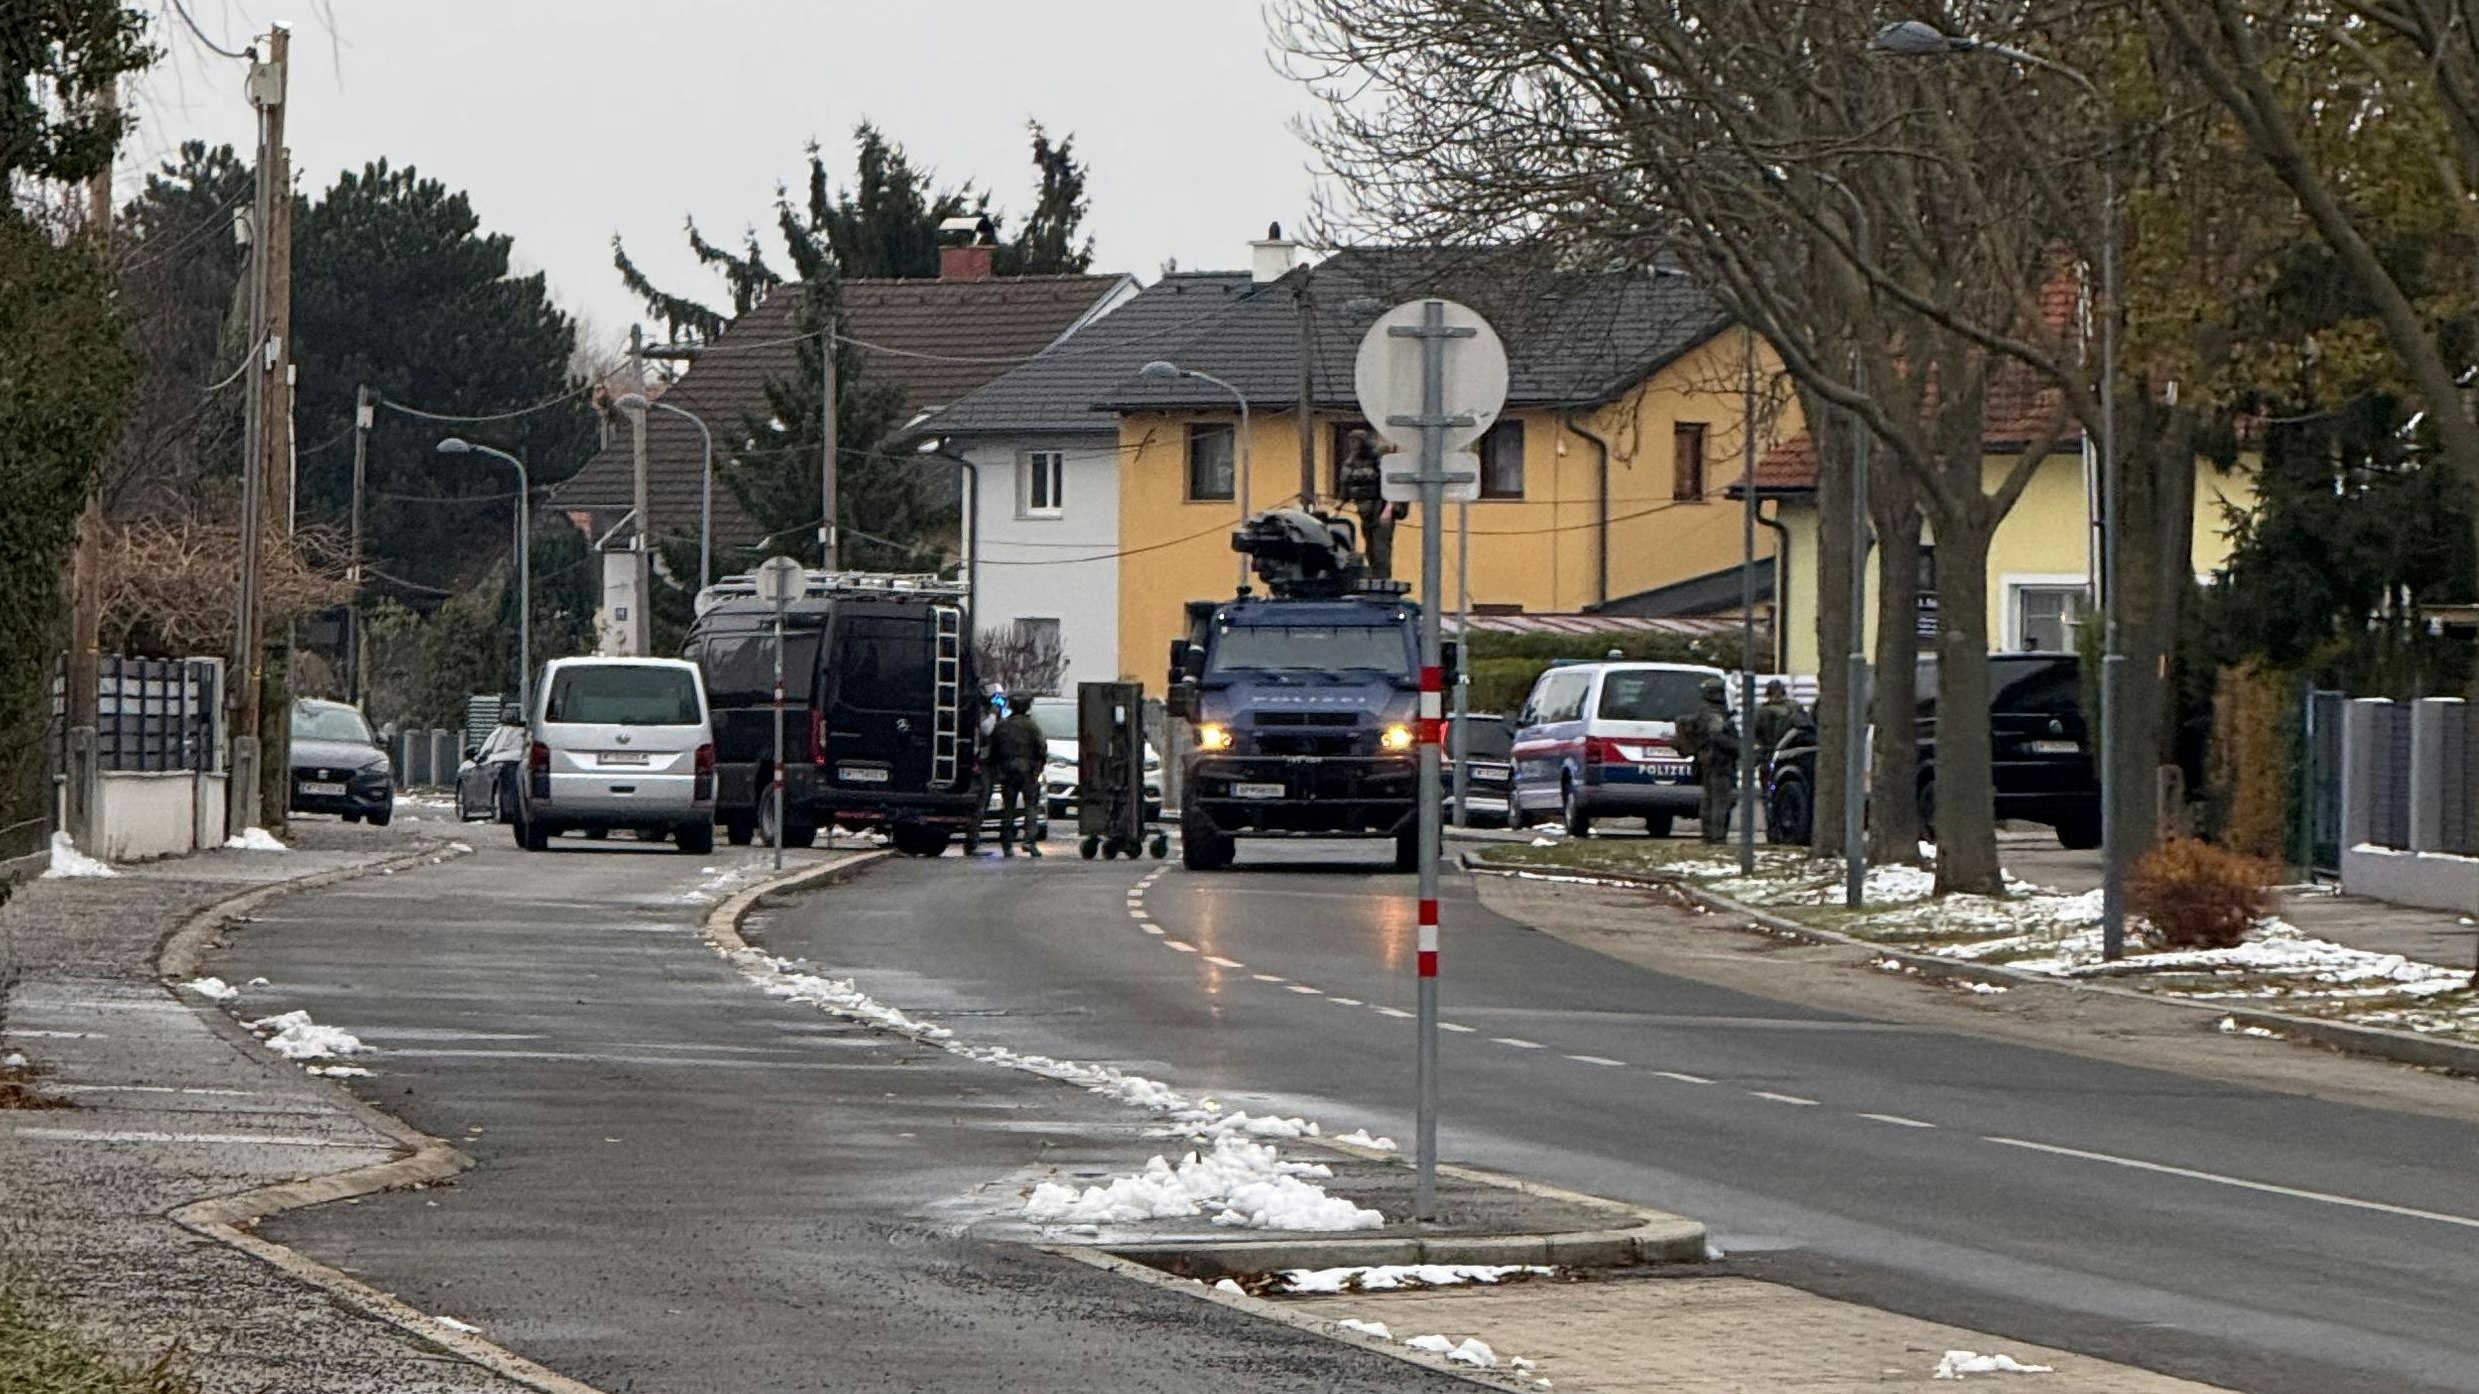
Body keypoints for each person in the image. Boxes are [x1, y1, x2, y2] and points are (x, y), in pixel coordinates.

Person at [1682, 676, 1740, 844]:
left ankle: (1709, 835)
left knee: (1709, 800)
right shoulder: (1713, 714)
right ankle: (1716, 836)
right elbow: (1717, 736)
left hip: (1708, 761)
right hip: (1719, 762)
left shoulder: (1703, 711)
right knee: (1720, 801)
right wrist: (1739, 747)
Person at [988, 696, 1047, 856]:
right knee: (1030, 807)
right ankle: (1029, 841)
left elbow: (993, 750)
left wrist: (997, 770)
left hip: (1007, 772)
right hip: (1028, 771)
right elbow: (1042, 749)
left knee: (1008, 809)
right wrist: (1038, 768)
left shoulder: (1002, 726)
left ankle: (1007, 844)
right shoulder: (1032, 727)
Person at [1751, 679, 1801, 762]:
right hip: (1771, 750)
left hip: (1787, 749)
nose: (1777, 695)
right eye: (1774, 692)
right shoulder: (1761, 711)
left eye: (1779, 692)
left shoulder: (1793, 707)